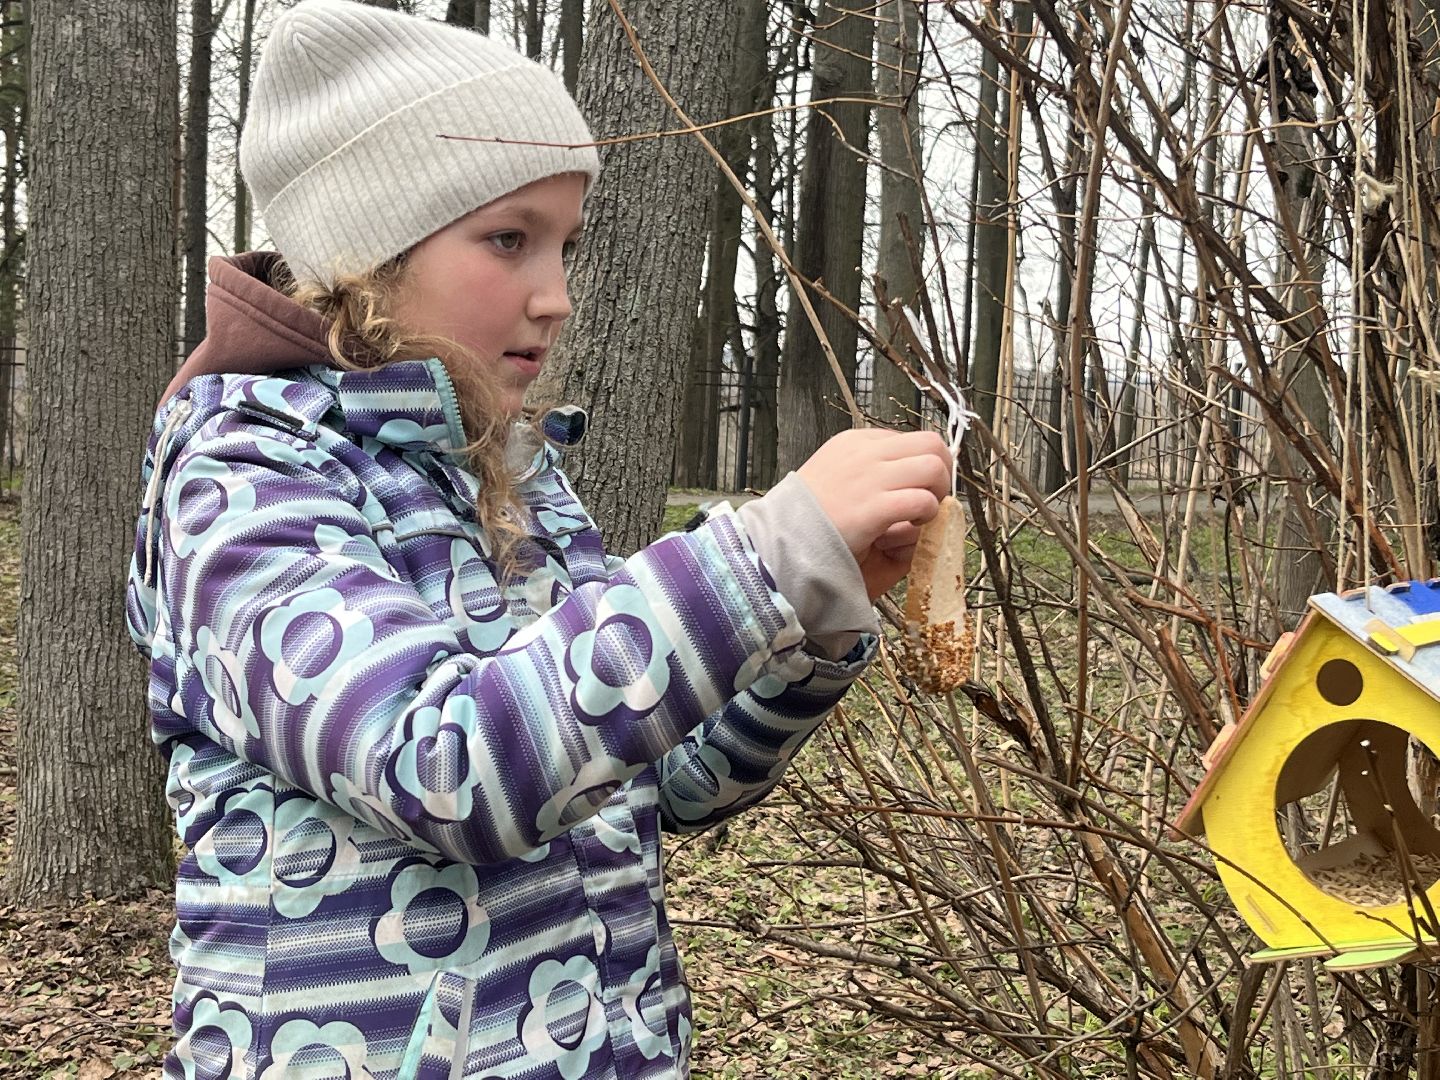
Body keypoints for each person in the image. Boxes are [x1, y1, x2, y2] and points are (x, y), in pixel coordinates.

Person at [124, 2, 951, 1077]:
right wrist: (760, 560)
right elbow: (444, 766)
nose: (555, 296)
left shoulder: (519, 474)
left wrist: (813, 611)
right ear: (367, 247)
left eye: (565, 243)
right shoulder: (241, 479)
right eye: (508, 238)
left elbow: (680, 779)